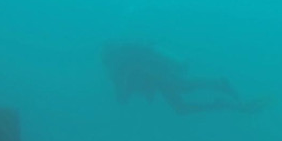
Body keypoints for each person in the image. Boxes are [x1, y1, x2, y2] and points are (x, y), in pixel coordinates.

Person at [102, 41, 268, 115]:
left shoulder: (122, 65)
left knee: (183, 87)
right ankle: (223, 104)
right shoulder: (120, 68)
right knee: (181, 108)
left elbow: (123, 94)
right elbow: (123, 97)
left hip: (160, 74)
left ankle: (218, 84)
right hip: (158, 79)